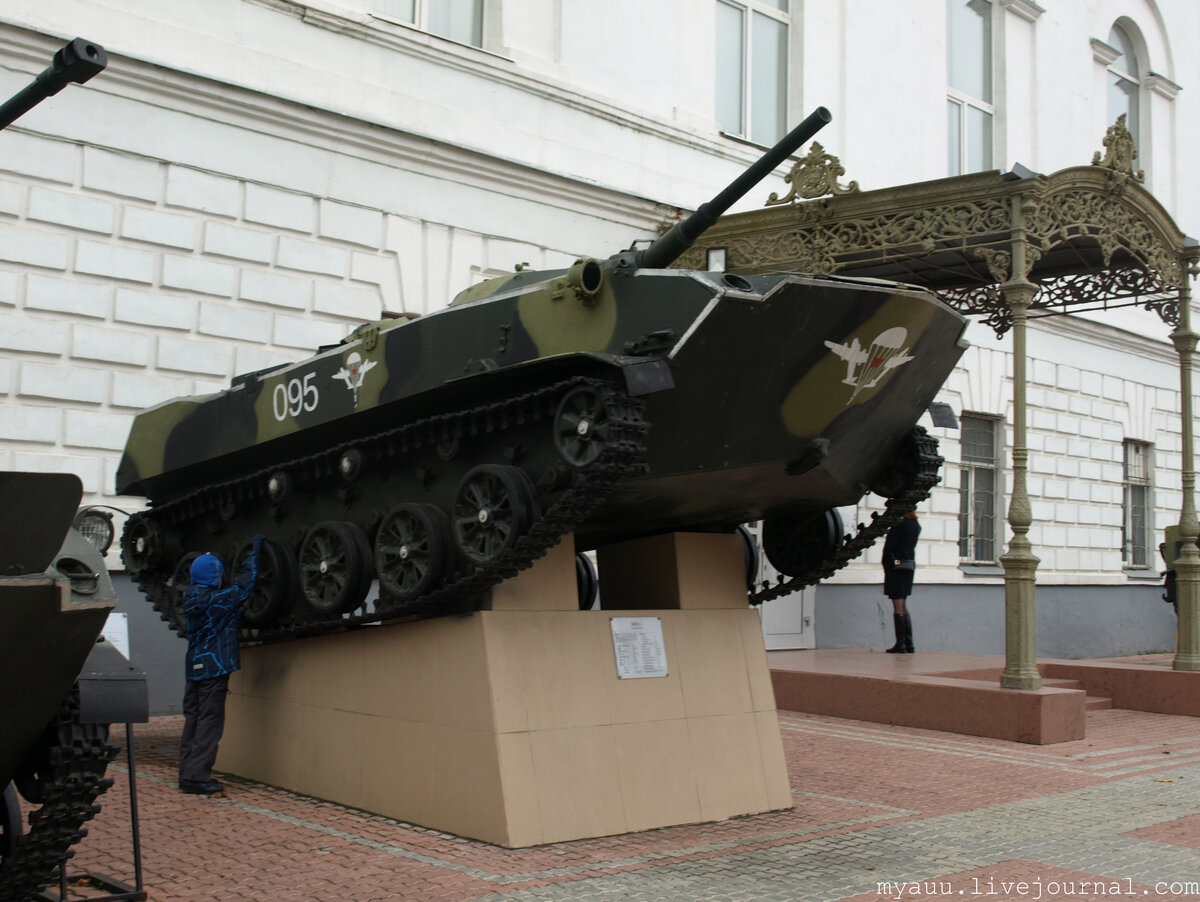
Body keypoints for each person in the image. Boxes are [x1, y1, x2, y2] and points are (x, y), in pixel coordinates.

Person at [178, 535, 263, 795]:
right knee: (209, 720)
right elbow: (243, 587)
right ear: (215, 576)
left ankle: (186, 770)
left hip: (194, 667)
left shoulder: (190, 597)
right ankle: (197, 775)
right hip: (214, 667)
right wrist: (254, 557)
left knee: (193, 718)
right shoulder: (217, 600)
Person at [882, 511, 920, 654]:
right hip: (908, 565)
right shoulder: (915, 524)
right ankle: (909, 643)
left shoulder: (899, 524)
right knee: (903, 603)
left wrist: (887, 564)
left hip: (896, 566)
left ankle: (901, 644)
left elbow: (890, 547)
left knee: (897, 604)